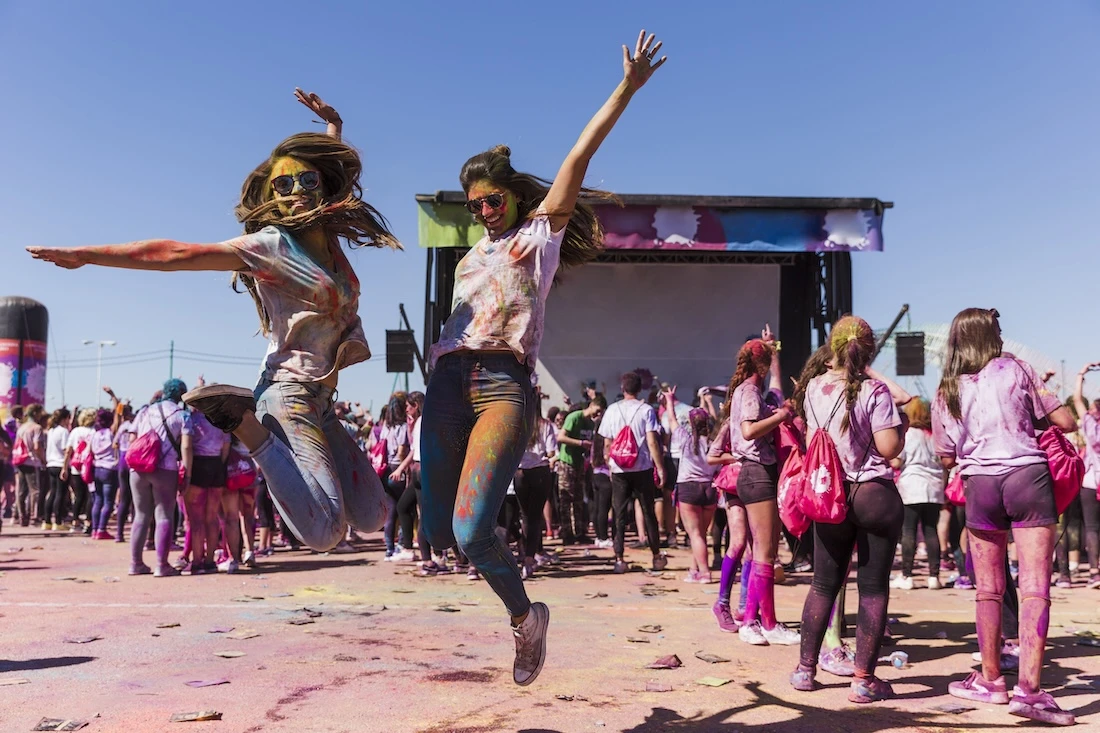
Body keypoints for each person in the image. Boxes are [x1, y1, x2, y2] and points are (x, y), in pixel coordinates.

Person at [27, 89, 394, 554]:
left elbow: (338, 173)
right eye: (284, 186)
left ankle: (250, 422)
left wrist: (334, 127)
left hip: (322, 396)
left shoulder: (329, 239)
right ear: (272, 198)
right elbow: (173, 255)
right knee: (324, 533)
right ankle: (245, 425)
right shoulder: (270, 246)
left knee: (374, 514)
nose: (297, 192)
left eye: (307, 180)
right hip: (288, 393)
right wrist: (85, 256)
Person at [418, 31, 667, 688]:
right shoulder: (472, 256)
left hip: (503, 385)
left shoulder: (536, 236)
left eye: (491, 201)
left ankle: (527, 618)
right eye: (472, 207)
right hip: (448, 383)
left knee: (472, 530)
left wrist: (626, 89)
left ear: (514, 199)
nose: (483, 214)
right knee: (439, 529)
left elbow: (577, 158)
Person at [933, 308, 1077, 726]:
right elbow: (1064, 422)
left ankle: (991, 680)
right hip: (1026, 477)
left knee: (988, 591)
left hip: (980, 485)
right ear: (992, 336)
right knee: (1034, 589)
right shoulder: (1018, 369)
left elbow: (946, 455)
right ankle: (1029, 692)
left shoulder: (947, 388)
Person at [789, 317, 909, 703]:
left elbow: (813, 441)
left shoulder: (813, 389)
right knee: (872, 588)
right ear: (868, 351)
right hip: (874, 494)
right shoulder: (874, 391)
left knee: (824, 583)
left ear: (833, 349)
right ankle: (862, 680)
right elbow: (889, 449)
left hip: (831, 494)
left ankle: (805, 670)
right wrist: (901, 425)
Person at [723, 328, 801, 648]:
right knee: (766, 552)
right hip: (757, 473)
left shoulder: (747, 389)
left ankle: (753, 620)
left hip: (754, 474)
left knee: (760, 554)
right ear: (762, 366)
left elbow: (775, 390)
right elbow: (749, 429)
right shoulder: (750, 391)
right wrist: (782, 415)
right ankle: (768, 623)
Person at [599, 371, 667, 574]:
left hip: (619, 469)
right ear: (640, 389)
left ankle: (619, 558)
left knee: (618, 513)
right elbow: (653, 441)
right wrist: (660, 467)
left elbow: (607, 443)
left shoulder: (611, 410)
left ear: (622, 388)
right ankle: (656, 556)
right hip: (642, 467)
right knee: (648, 512)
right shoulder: (646, 410)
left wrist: (609, 463)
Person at [128, 380, 194, 577]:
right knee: (164, 515)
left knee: (140, 516)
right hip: (165, 469)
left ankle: (135, 563)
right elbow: (187, 447)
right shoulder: (183, 415)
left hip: (138, 468)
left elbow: (132, 439)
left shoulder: (145, 411)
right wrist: (187, 474)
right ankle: (161, 565)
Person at [663, 389, 717, 582]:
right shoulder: (714, 442)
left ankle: (704, 572)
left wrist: (669, 400)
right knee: (700, 533)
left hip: (689, 489)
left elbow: (671, 420)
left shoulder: (684, 440)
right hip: (710, 489)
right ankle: (694, 569)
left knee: (695, 534)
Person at [890, 398, 945, 590]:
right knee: (931, 530)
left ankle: (907, 576)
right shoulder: (934, 435)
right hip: (934, 487)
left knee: (909, 531)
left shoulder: (908, 434)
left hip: (912, 486)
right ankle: (934, 576)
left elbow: (897, 462)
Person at [556, 398, 604, 545]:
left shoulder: (591, 423)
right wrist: (580, 443)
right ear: (592, 405)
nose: (598, 414)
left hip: (580, 464)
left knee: (578, 499)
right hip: (567, 462)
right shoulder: (574, 417)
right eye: (598, 410)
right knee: (566, 498)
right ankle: (566, 532)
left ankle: (579, 531)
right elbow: (561, 437)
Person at [1073, 362, 1100, 590]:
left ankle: (1094, 573)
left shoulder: (1090, 425)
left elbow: (1076, 400)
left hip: (1092, 481)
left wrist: (1082, 374)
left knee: (1091, 527)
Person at [89, 408, 121, 540]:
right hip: (109, 469)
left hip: (97, 468)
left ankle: (95, 529)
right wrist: (114, 398)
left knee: (97, 500)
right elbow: (118, 418)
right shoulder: (111, 433)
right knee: (108, 501)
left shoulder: (94, 434)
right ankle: (102, 529)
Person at [13, 404, 46, 527]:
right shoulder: (37, 428)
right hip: (32, 461)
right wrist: (43, 459)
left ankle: (22, 516)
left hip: (21, 460)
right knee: (35, 491)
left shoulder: (22, 427)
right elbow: (37, 446)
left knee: (21, 491)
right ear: (36, 413)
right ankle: (34, 517)